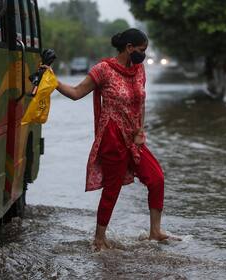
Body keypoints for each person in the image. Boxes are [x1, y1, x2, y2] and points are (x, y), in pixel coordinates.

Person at [51, 28, 169, 251]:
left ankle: (155, 231)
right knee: (112, 188)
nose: (143, 54)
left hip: (133, 137)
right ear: (129, 48)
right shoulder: (103, 69)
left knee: (156, 179)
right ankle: (99, 238)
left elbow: (140, 102)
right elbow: (76, 93)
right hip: (112, 137)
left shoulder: (139, 69)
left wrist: (140, 131)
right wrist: (53, 81)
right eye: (142, 50)